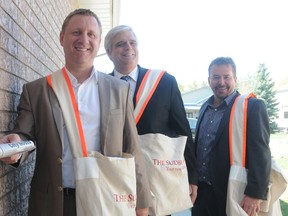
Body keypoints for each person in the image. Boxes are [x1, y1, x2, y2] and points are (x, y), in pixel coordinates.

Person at [0, 9, 151, 216]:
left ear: (98, 43)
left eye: (91, 34)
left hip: (105, 198)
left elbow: (132, 146)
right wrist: (15, 144)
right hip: (55, 202)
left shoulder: (118, 90)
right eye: (76, 32)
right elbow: (24, 136)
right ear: (62, 38)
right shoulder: (36, 90)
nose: (84, 39)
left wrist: (141, 200)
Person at [104, 25, 198, 215]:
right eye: (121, 44)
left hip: (156, 178)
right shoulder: (100, 86)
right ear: (109, 52)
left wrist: (192, 176)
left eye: (132, 43)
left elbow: (182, 131)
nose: (128, 48)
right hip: (115, 177)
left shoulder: (164, 82)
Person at [192, 56, 271, 216]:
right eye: (216, 77)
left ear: (235, 79)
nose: (221, 82)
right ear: (209, 80)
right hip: (200, 194)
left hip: (231, 193)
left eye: (226, 77)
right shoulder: (204, 109)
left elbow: (261, 154)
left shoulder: (251, 107)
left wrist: (255, 193)